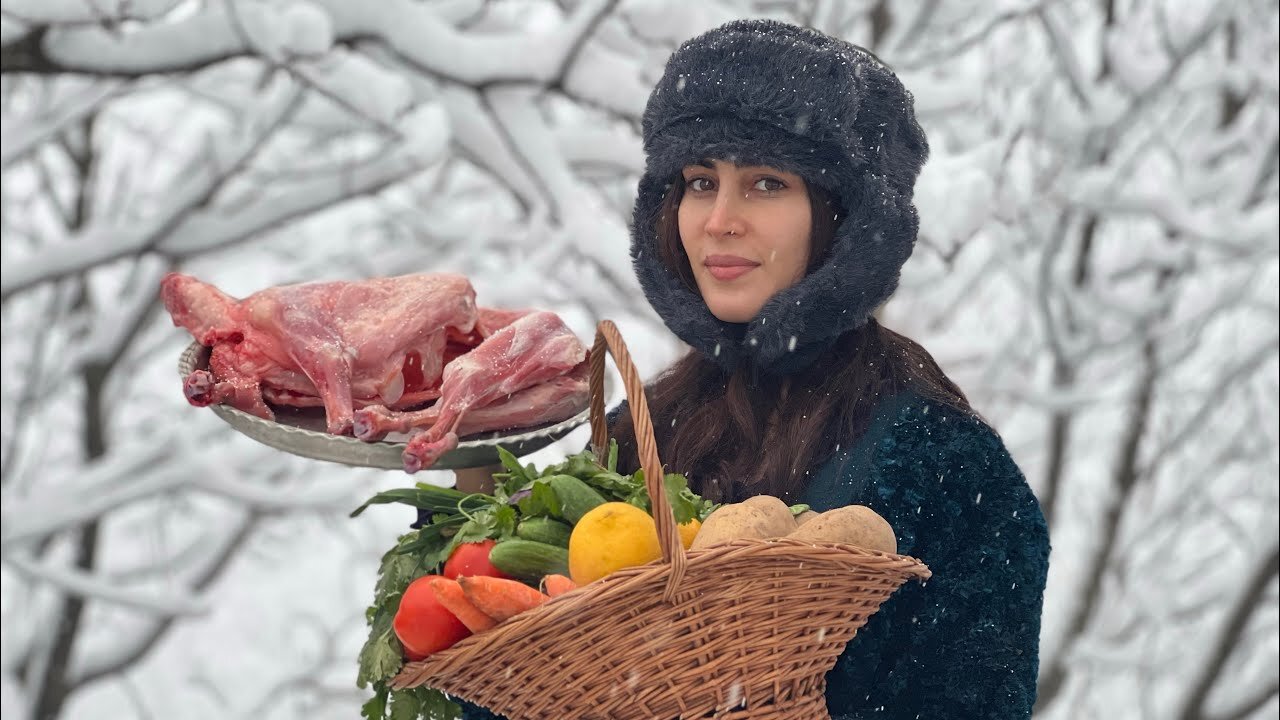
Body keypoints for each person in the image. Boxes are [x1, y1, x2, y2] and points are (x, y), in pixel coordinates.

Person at [451, 18, 1050, 720]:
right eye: (701, 182)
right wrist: (478, 503)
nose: (720, 219)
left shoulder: (946, 463)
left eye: (766, 183)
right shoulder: (631, 441)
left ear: (844, 221)